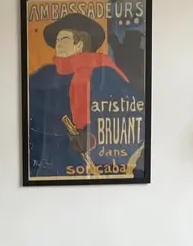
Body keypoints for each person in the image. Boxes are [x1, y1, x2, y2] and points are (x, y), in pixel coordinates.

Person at [27, 12, 146, 181]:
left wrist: (93, 136)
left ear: (79, 45)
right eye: (57, 40)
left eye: (64, 39)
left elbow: (129, 115)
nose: (57, 44)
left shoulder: (104, 74)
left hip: (92, 162)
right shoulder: (45, 75)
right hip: (49, 161)